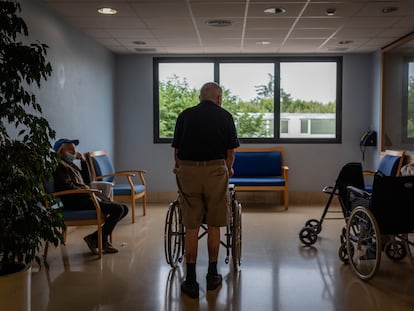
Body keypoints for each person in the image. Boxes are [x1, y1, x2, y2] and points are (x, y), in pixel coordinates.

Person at [172, 82, 240, 298]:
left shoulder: (185, 115)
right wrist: (227, 170)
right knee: (214, 223)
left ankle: (190, 279)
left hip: (189, 171)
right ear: (218, 98)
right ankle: (212, 275)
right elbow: (230, 153)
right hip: (215, 171)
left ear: (200, 97)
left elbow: (177, 152)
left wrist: (180, 169)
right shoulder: (225, 116)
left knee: (191, 226)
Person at [53, 138, 128, 254]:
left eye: (74, 150)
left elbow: (87, 181)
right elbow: (67, 187)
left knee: (124, 208)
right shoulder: (59, 166)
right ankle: (100, 240)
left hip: (85, 197)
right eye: (71, 151)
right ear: (61, 152)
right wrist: (87, 191)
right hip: (75, 200)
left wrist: (83, 162)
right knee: (118, 209)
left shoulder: (70, 164)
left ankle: (95, 238)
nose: (74, 153)